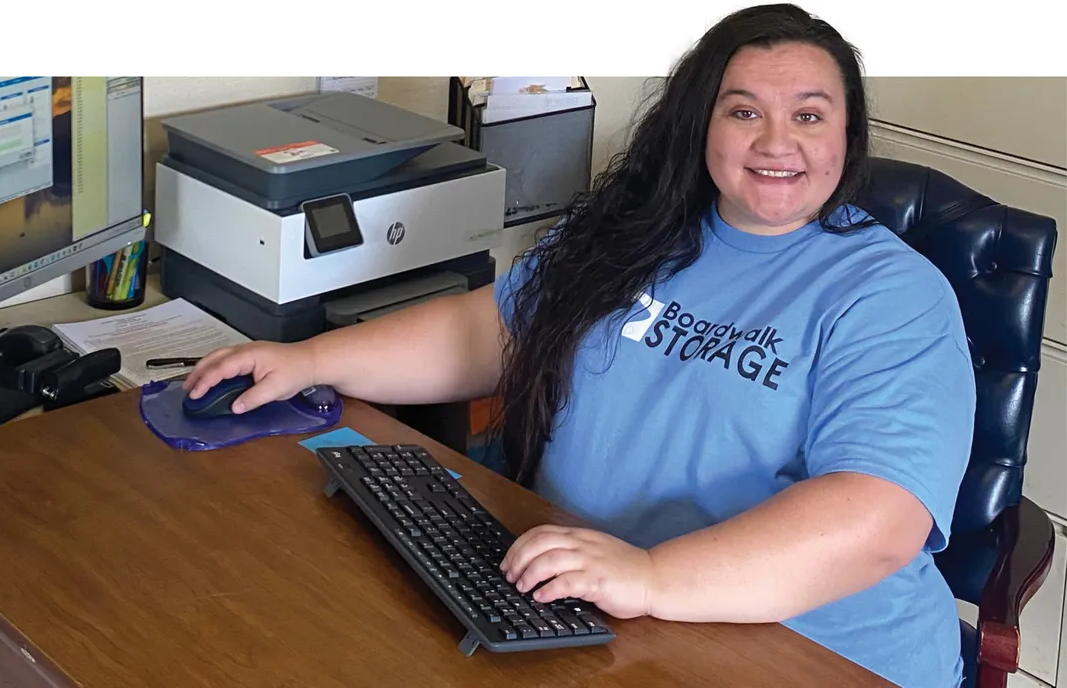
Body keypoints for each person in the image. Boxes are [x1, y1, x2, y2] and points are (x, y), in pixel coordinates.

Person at [184, 4, 976, 686]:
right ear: (701, 122)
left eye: (808, 114)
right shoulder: (636, 231)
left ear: (848, 132)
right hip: (600, 606)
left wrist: (654, 576)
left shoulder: (890, 297)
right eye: (744, 112)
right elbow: (491, 331)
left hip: (806, 653)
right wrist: (306, 362)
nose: (777, 141)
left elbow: (877, 521)